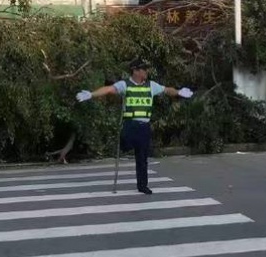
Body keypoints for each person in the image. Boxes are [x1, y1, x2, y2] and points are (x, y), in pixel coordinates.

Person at [76, 59, 193, 194]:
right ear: (135, 71)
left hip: (144, 126)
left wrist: (178, 92)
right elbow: (109, 89)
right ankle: (125, 145)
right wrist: (91, 94)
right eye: (144, 69)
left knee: (142, 157)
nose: (146, 72)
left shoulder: (151, 85)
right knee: (126, 142)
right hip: (130, 125)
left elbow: (167, 90)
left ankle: (142, 186)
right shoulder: (125, 85)